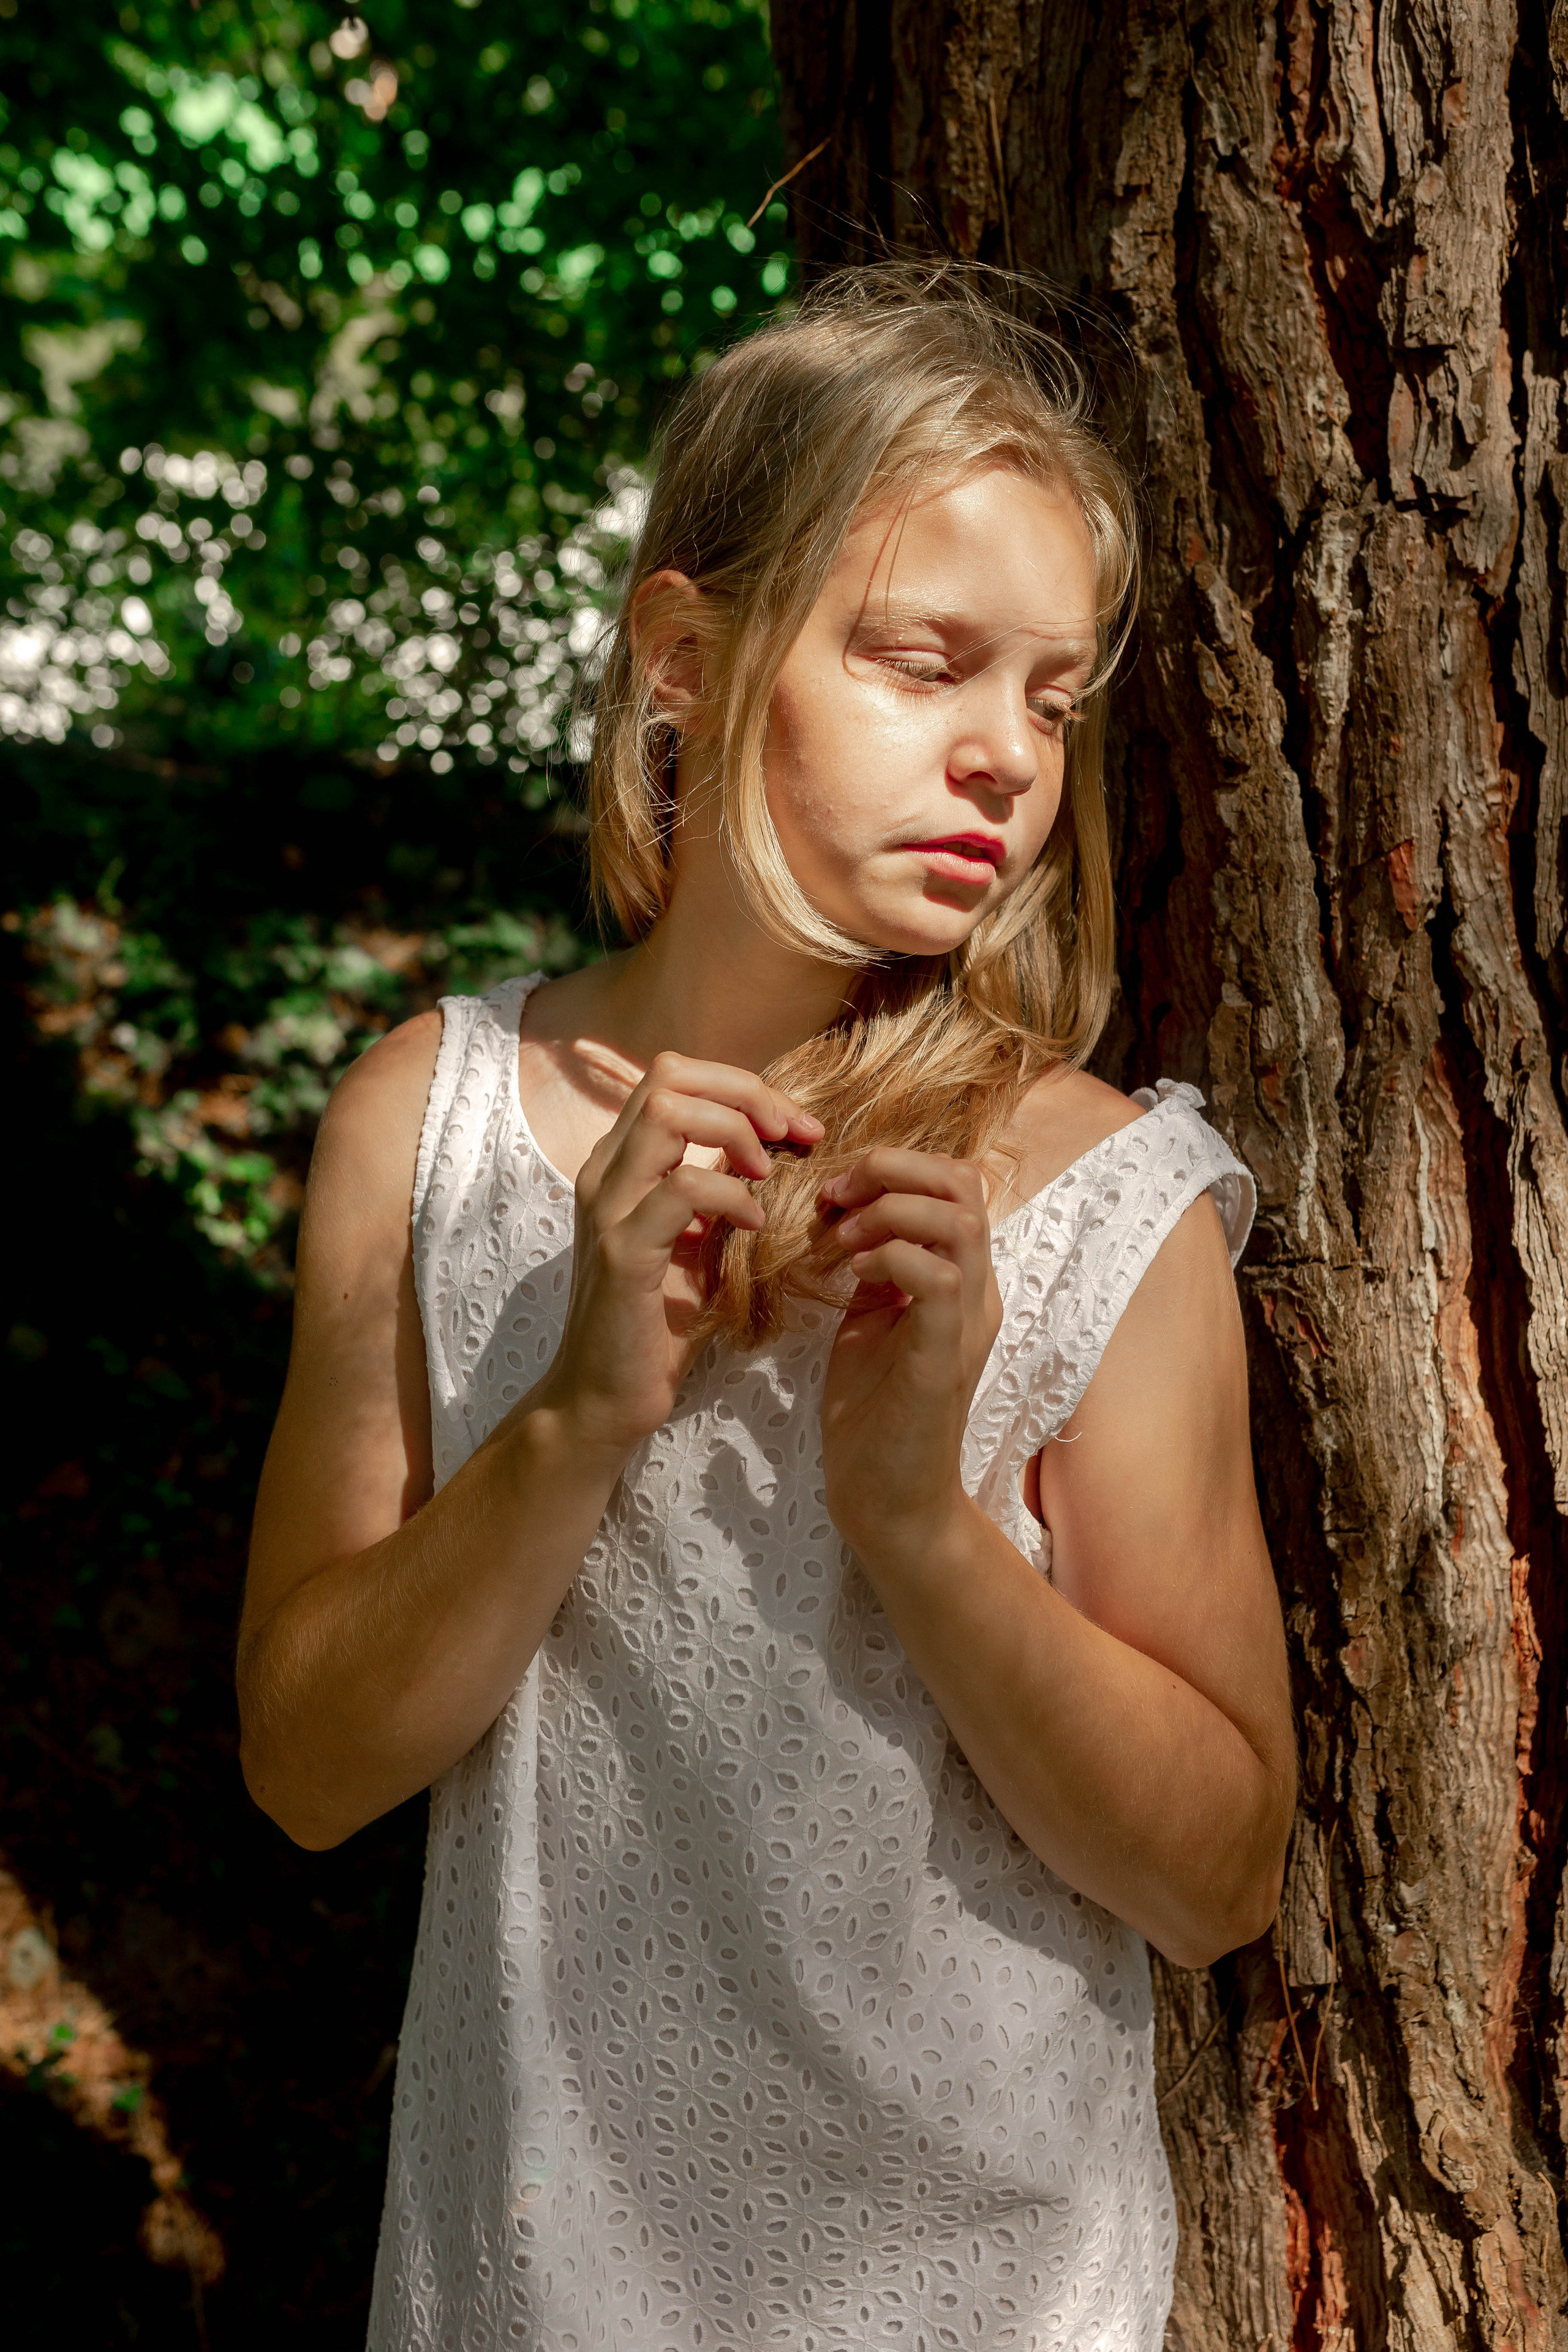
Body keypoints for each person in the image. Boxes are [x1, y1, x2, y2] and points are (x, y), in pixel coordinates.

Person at [238, 263, 1295, 2352]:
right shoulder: (429, 1128)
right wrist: (571, 1417)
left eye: (1055, 695)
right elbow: (304, 1763)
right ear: (689, 657)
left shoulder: (1098, 1200)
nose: (1005, 754)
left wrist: (916, 1523)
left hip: (993, 2307)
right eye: (925, 661)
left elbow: (1219, 1877)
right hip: (524, 2294)